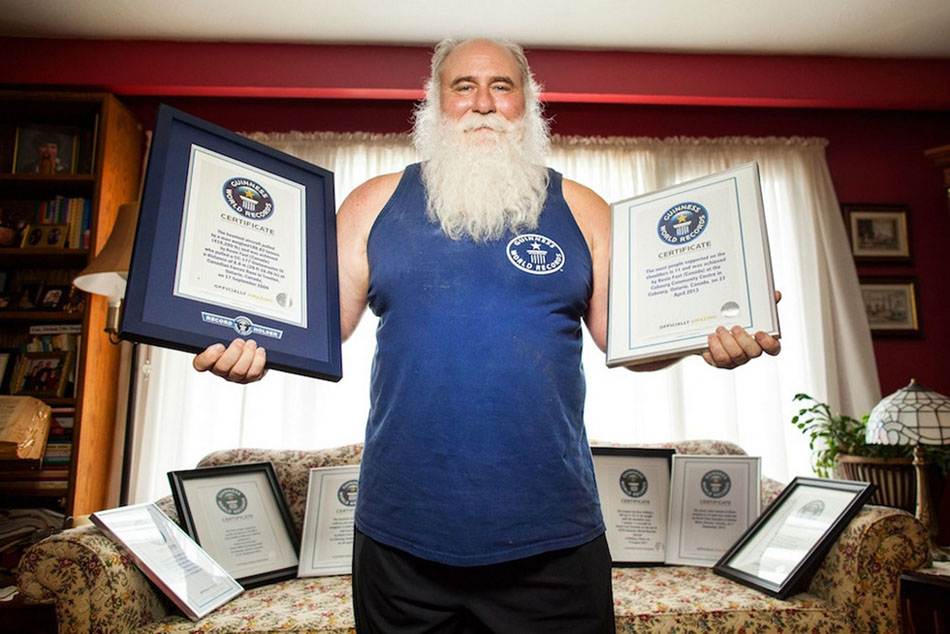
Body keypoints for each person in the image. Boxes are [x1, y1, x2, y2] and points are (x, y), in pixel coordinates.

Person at [194, 38, 781, 633]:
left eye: (502, 86)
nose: (482, 103)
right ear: (434, 102)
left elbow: (626, 340)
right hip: (400, 537)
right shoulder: (371, 204)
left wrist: (701, 335)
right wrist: (244, 338)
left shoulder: (584, 209)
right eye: (463, 86)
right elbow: (316, 328)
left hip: (554, 536)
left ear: (529, 102)